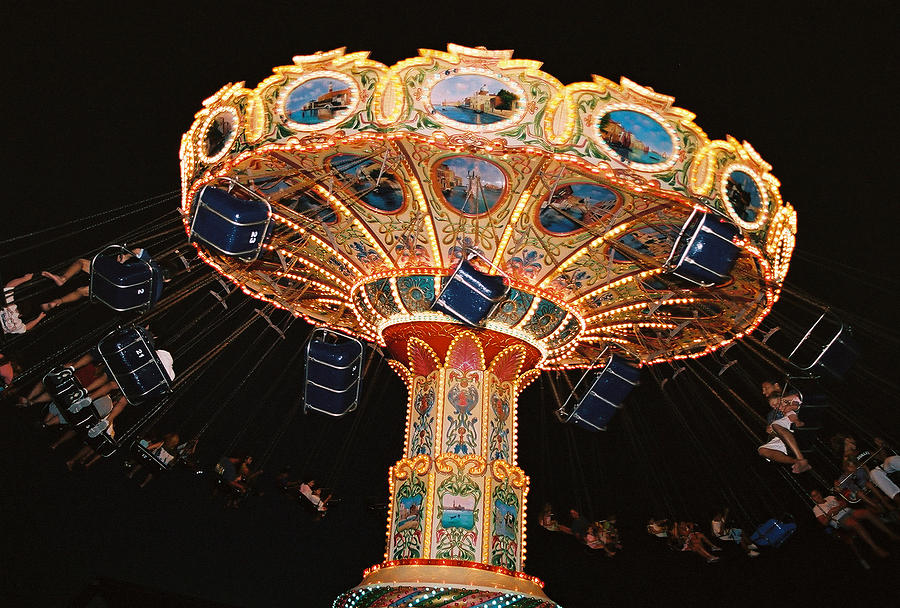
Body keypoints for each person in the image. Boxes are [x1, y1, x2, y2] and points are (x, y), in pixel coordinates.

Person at [810, 489, 899, 558]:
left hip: (848, 511)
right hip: (840, 519)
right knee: (855, 524)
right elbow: (824, 523)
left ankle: (890, 533)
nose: (817, 496)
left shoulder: (830, 497)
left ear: (820, 493)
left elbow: (844, 503)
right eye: (814, 496)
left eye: (817, 494)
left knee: (866, 512)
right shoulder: (816, 509)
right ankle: (876, 548)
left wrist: (836, 509)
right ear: (812, 499)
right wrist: (830, 513)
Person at [757, 379, 811, 473]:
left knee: (776, 425)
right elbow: (775, 431)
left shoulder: (792, 394)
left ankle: (801, 459)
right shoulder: (771, 414)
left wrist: (784, 401)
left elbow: (798, 399)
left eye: (766, 388)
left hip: (794, 424)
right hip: (782, 435)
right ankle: (796, 462)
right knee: (762, 450)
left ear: (776, 386)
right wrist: (771, 432)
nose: (764, 392)